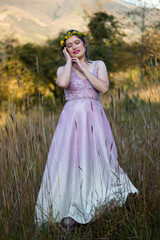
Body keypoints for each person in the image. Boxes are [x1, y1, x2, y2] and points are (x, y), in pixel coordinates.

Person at [34, 29, 138, 231]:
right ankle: (69, 212)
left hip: (94, 120)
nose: (74, 47)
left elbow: (103, 88)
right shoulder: (62, 70)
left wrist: (82, 65)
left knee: (99, 158)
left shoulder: (98, 65)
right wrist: (68, 63)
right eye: (69, 45)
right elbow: (63, 83)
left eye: (77, 43)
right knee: (70, 161)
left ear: (84, 44)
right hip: (71, 121)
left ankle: (97, 205)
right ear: (65, 50)